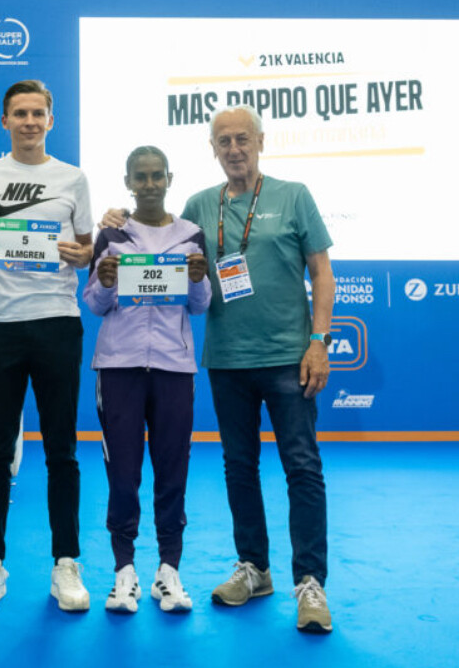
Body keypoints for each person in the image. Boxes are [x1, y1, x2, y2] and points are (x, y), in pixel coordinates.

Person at [180, 104, 336, 634]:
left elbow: (322, 272)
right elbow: (163, 251)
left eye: (242, 138)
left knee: (302, 467)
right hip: (227, 359)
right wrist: (117, 222)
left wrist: (318, 343)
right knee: (238, 467)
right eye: (223, 140)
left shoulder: (294, 195)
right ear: (213, 149)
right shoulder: (199, 205)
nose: (234, 149)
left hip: (290, 357)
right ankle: (254, 568)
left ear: (261, 142)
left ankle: (310, 582)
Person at [0, 79, 94, 613]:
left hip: (57, 323)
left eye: (38, 113)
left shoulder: (73, 178)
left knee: (62, 450)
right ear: (5, 121)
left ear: (50, 120)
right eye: (20, 113)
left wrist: (83, 256)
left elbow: (86, 247)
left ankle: (66, 564)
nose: (30, 122)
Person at [83, 146, 210, 614]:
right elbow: (94, 304)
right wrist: (107, 282)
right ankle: (124, 572)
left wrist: (197, 279)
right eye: (142, 176)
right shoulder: (112, 234)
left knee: (172, 470)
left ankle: (169, 570)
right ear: (129, 182)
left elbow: (200, 304)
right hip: (120, 367)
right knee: (123, 472)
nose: (150, 184)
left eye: (158, 175)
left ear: (170, 179)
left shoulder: (191, 235)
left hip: (174, 368)